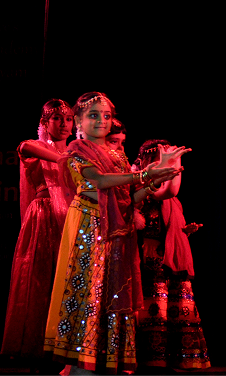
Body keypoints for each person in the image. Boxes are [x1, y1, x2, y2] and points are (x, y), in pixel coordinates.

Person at [44, 92, 187, 374]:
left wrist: (158, 178)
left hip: (117, 233)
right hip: (87, 229)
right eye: (93, 115)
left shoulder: (117, 157)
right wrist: (147, 174)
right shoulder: (76, 152)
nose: (101, 120)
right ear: (79, 122)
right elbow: (100, 182)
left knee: (111, 294)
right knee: (89, 293)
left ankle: (103, 356)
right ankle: (79, 361)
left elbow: (127, 199)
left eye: (106, 115)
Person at [2, 100, 75, 361]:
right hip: (44, 215)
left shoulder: (79, 152)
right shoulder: (37, 147)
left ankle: (65, 346)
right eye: (57, 119)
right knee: (40, 277)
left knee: (68, 281)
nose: (64, 124)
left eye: (68, 119)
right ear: (45, 123)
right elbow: (25, 146)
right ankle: (36, 347)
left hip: (71, 218)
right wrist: (66, 160)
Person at [133, 139, 210, 370]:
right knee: (155, 306)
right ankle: (152, 361)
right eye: (159, 157)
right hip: (149, 254)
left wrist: (183, 230)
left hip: (171, 255)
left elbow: (170, 200)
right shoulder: (140, 183)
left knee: (177, 306)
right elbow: (166, 192)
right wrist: (174, 166)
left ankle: (178, 360)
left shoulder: (168, 195)